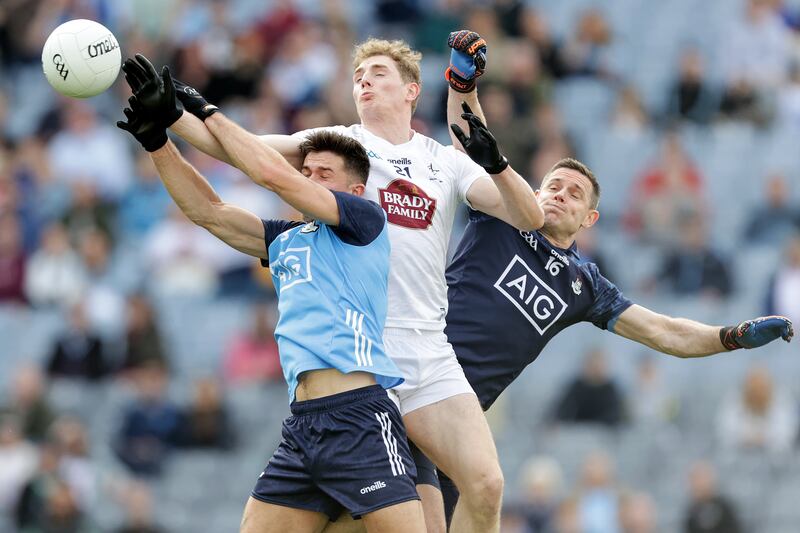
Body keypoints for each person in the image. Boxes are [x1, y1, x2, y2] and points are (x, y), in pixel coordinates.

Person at [122, 29, 542, 533]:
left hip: (422, 347)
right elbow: (247, 158)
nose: (364, 82)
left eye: (378, 73)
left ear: (412, 89)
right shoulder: (337, 148)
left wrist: (494, 161)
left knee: (486, 486)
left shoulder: (437, 163)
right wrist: (170, 122)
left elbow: (528, 215)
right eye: (357, 76)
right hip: (359, 359)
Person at [426, 33, 794, 524]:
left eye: (574, 194)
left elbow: (664, 331)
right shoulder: (505, 214)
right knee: (476, 491)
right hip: (417, 377)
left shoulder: (585, 284)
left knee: (460, 504)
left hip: (461, 413)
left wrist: (729, 337)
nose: (559, 194)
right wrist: (464, 80)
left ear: (589, 221)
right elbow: (470, 137)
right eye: (552, 185)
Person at [115, 64, 424, 531]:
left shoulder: (364, 221)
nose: (311, 178)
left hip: (360, 415)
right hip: (304, 424)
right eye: (309, 170)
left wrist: (202, 109)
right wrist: (157, 143)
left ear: (356, 190)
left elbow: (272, 175)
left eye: (325, 173)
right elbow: (209, 212)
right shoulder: (286, 238)